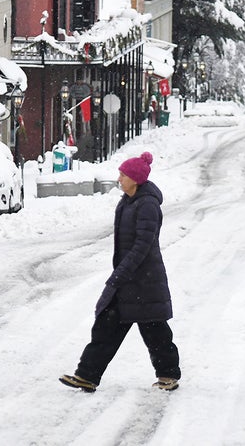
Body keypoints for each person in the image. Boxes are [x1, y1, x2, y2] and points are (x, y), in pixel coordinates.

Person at [60, 152, 181, 392]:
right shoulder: (128, 201)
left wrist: (121, 272)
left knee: (155, 331)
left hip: (145, 281)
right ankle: (87, 375)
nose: (119, 179)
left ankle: (168, 375)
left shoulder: (147, 204)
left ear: (135, 179)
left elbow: (143, 245)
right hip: (129, 279)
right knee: (106, 327)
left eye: (123, 175)